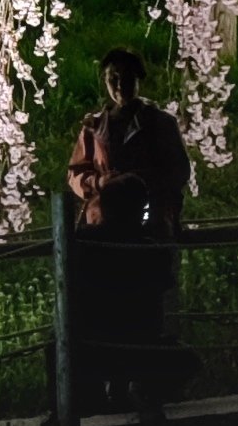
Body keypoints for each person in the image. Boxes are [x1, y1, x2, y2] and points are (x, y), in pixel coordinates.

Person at [62, 46, 191, 405]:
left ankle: (142, 386)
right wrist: (98, 185)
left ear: (140, 79)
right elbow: (76, 173)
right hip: (101, 225)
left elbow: (178, 171)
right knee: (105, 307)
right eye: (112, 78)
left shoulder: (160, 123)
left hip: (145, 226)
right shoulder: (93, 125)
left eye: (127, 77)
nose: (120, 86)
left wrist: (139, 183)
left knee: (143, 307)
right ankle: (110, 385)